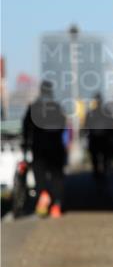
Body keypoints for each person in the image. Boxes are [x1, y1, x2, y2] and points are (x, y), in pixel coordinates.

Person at [22, 81, 68, 219]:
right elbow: (63, 125)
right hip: (55, 146)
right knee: (57, 176)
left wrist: (25, 144)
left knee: (39, 173)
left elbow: (26, 127)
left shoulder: (34, 107)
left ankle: (43, 194)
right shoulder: (57, 107)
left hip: (39, 146)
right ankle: (56, 206)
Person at [83, 93, 113, 184]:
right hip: (102, 139)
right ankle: (102, 175)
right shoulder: (106, 112)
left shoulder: (92, 113)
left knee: (97, 159)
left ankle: (99, 176)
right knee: (103, 159)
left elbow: (85, 126)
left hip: (97, 139)